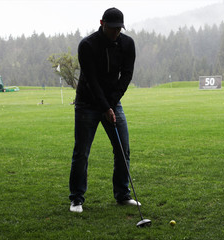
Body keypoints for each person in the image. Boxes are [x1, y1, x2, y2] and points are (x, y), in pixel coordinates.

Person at [69, 7, 139, 213]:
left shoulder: (127, 44)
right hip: (87, 103)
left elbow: (126, 76)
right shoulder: (87, 45)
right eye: (112, 28)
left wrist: (112, 104)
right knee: (81, 152)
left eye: (119, 29)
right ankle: (76, 199)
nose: (116, 33)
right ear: (102, 24)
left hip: (112, 101)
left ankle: (122, 195)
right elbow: (91, 80)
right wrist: (104, 107)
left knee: (122, 150)